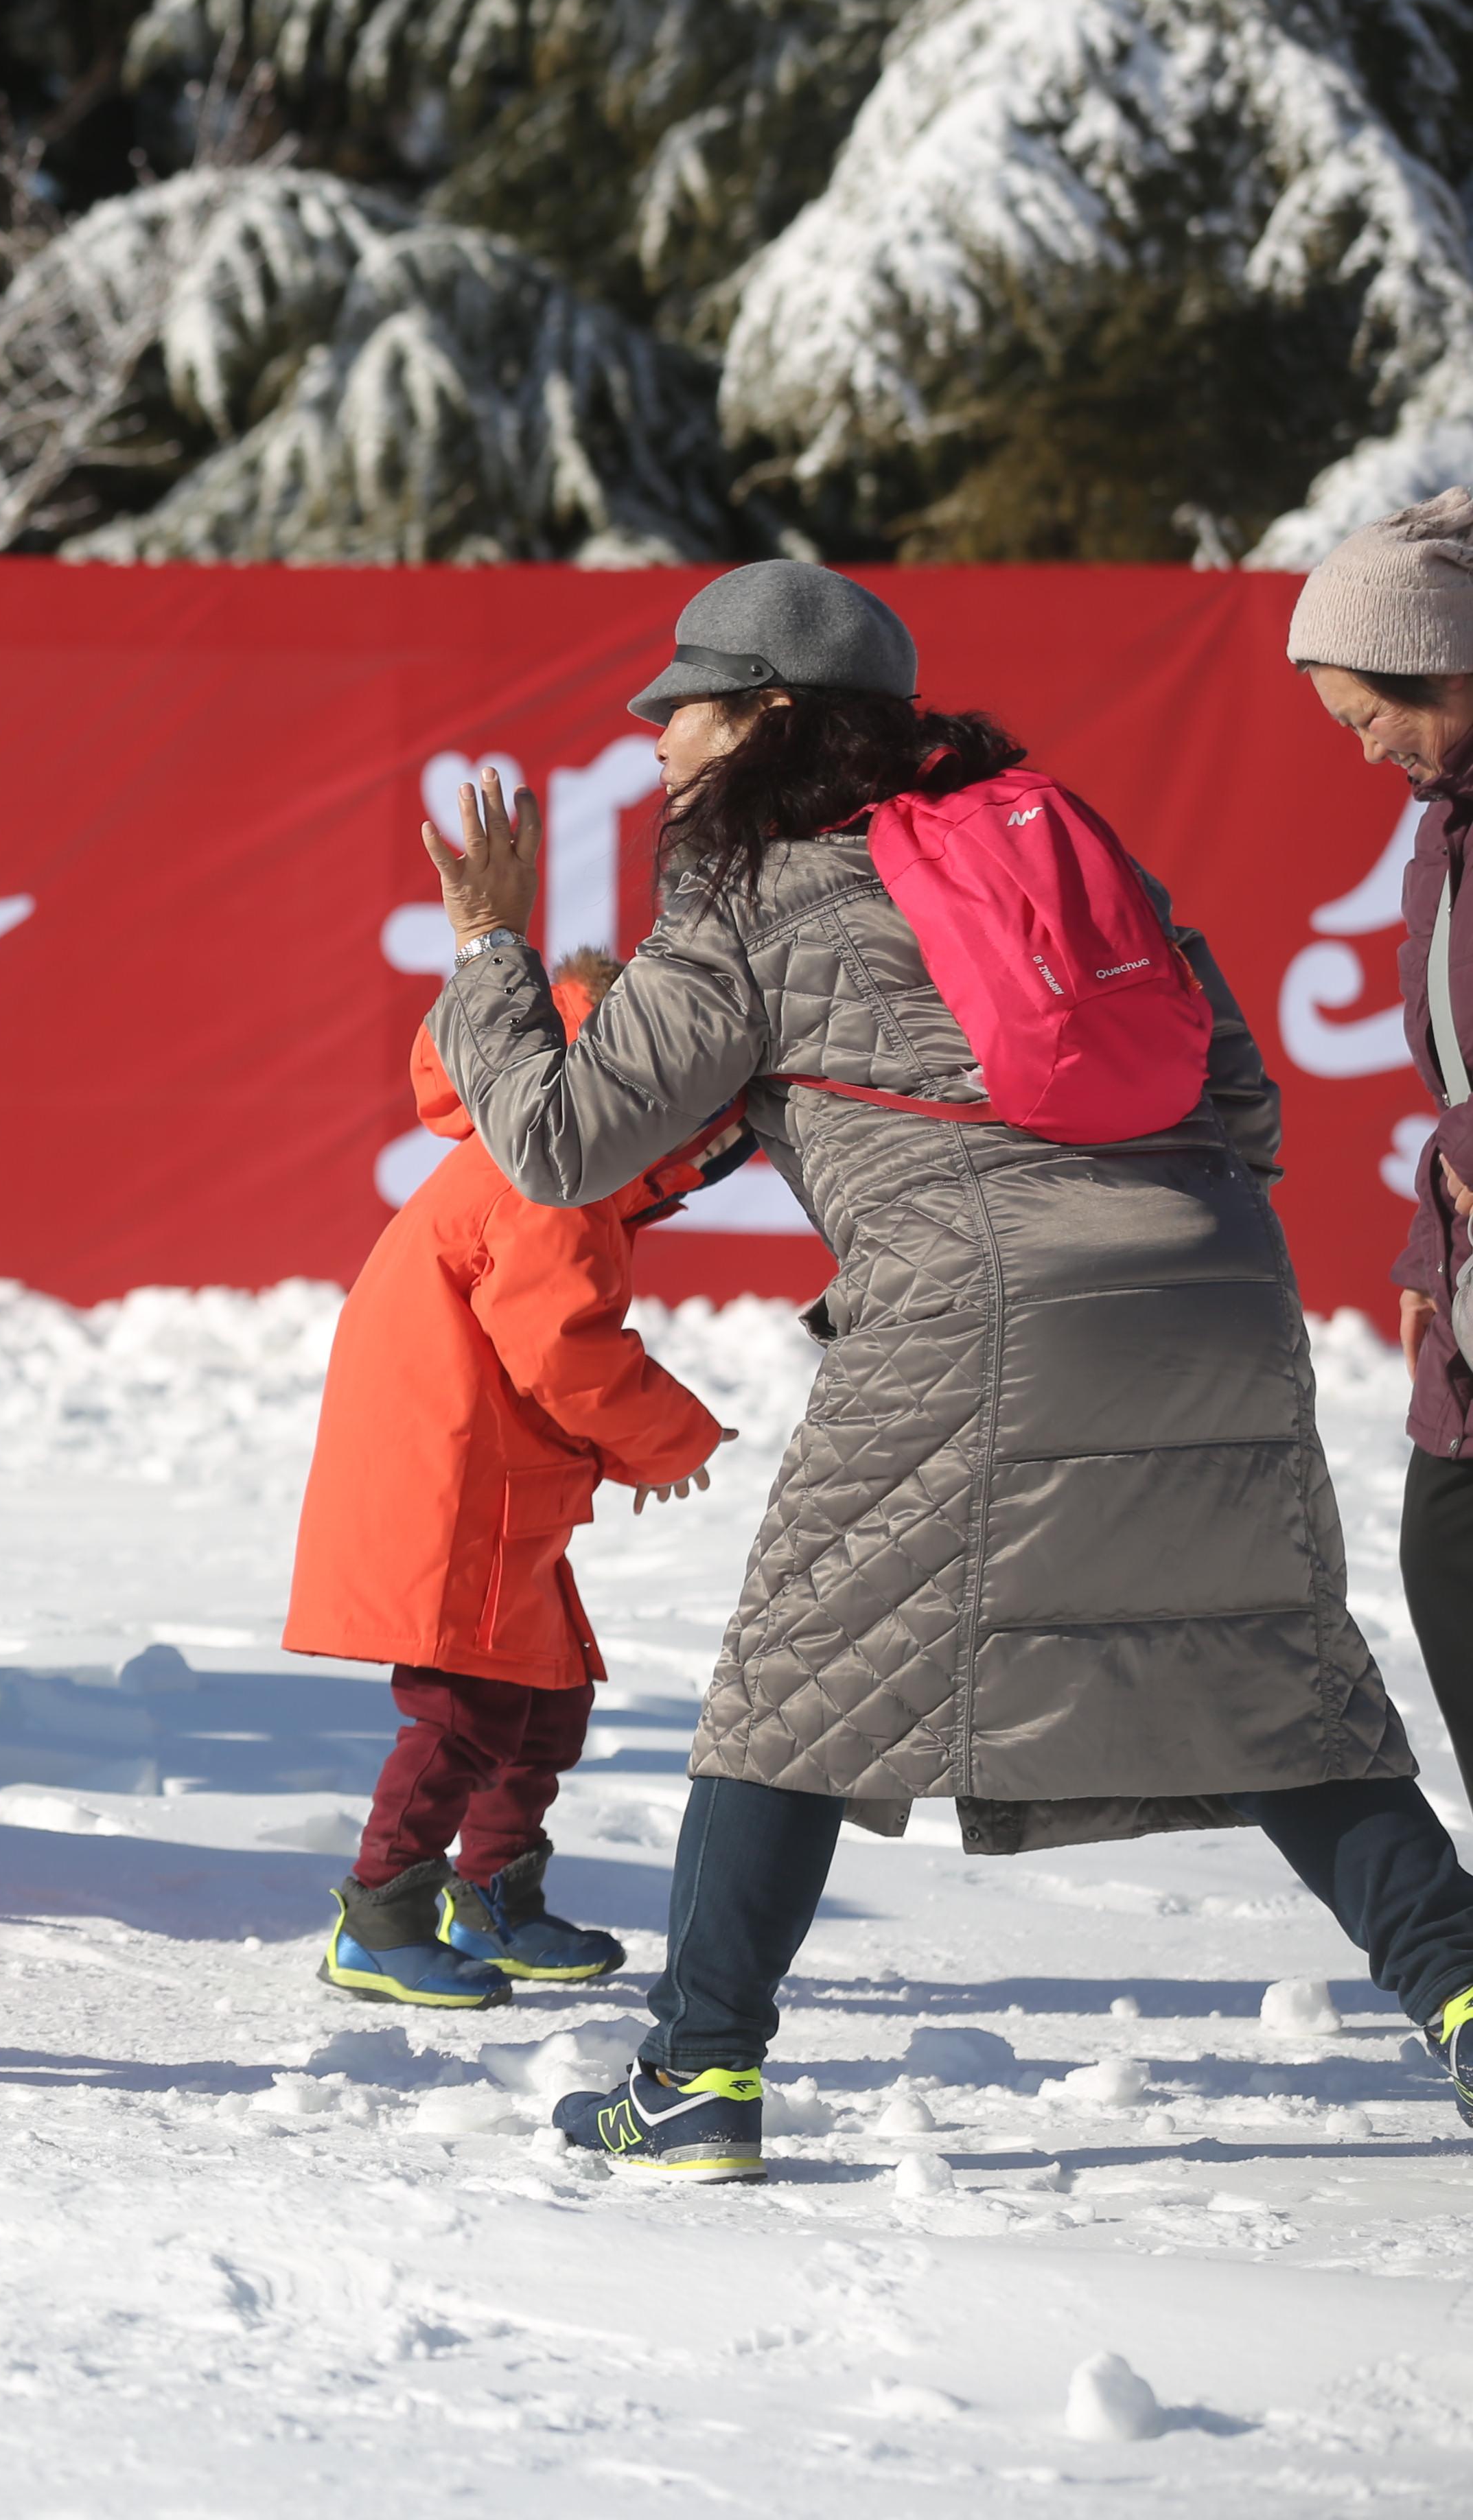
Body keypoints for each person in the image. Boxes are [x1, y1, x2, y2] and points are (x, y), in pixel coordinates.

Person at [417, 559, 1473, 2182]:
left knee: (792, 1691)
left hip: (979, 1314)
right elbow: (1240, 1092)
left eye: (679, 710)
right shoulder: (1052, 833)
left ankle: (696, 2079)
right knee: (1278, 1685)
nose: (655, 745)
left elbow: (558, 1140)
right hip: (1213, 1291)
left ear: (768, 715)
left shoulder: (752, 884)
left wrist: (489, 945)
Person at [286, 952, 744, 2010]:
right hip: (452, 1481)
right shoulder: (552, 1180)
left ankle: (491, 1894)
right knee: (463, 1708)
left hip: (487, 1474)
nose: (705, 1150)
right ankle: (380, 1916)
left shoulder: (548, 1153)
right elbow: (561, 1347)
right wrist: (669, 1437)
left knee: (543, 1699)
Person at [1288, 489, 1473, 1808]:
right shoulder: (1447, 823)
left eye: (1370, 717)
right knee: (1448, 1558)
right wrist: (1436, 1240)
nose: (1364, 755)